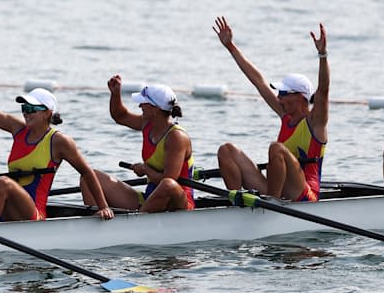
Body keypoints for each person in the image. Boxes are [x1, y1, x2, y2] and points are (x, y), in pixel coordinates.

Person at [0, 40, 114, 222]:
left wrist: (103, 207)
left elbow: (86, 172)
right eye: (24, 108)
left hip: (33, 214)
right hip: (6, 207)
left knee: (3, 183)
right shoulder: (17, 128)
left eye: (32, 109)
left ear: (47, 113)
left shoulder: (58, 141)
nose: (26, 113)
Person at [212, 16, 330, 202]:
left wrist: (322, 56)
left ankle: (271, 204)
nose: (279, 97)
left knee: (277, 149)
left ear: (300, 97)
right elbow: (258, 81)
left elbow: (323, 91)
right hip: (279, 188)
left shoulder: (315, 123)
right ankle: (235, 202)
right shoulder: (285, 114)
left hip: (305, 193)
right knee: (226, 150)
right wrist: (230, 46)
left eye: (283, 93)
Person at [82, 78, 195, 212]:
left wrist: (146, 170)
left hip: (178, 202)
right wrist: (115, 93)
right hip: (150, 196)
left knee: (168, 184)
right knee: (89, 177)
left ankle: (138, 224)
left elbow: (169, 179)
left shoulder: (176, 137)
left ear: (155, 109)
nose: (139, 106)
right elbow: (120, 116)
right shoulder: (147, 124)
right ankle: (99, 220)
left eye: (143, 103)